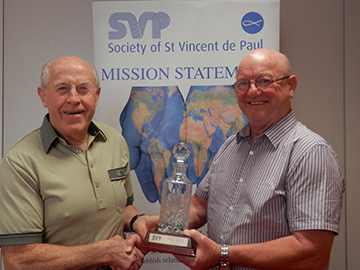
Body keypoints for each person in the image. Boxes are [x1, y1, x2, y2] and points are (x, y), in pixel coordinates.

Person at [174, 49, 345, 270]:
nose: (252, 92)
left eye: (264, 81)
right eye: (243, 84)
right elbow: (199, 208)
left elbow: (312, 252)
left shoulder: (310, 152)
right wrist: (152, 230)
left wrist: (222, 254)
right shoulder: (230, 146)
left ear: (291, 86)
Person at [0, 56, 156, 270]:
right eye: (62, 89)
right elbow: (18, 260)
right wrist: (104, 253)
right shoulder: (20, 163)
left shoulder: (115, 142)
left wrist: (137, 219)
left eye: (83, 89)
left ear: (96, 95)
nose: (74, 99)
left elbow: (122, 206)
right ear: (43, 96)